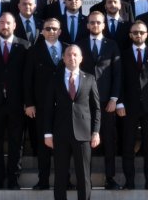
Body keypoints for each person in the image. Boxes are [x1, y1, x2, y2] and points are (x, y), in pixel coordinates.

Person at [41, 45, 100, 200]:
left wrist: (96, 131)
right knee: (60, 175)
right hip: (60, 134)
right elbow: (48, 108)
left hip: (84, 134)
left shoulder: (90, 78)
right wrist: (48, 133)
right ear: (63, 58)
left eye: (75, 55)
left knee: (84, 176)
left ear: (81, 58)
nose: (72, 57)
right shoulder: (54, 78)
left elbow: (96, 108)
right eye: (68, 54)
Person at [0, 13, 31, 189]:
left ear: (14, 26)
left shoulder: (25, 46)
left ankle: (13, 178)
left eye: (8, 23)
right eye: (1, 23)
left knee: (16, 142)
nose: (4, 26)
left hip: (17, 103)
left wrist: (28, 101)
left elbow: (28, 77)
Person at [117, 20, 148, 190]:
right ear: (130, 35)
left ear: (146, 34)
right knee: (128, 145)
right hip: (128, 107)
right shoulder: (122, 55)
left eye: (141, 32)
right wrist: (119, 102)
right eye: (135, 32)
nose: (138, 35)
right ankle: (129, 182)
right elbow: (119, 81)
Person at [78, 11, 122, 189]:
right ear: (87, 25)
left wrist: (114, 98)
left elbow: (117, 74)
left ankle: (110, 178)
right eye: (92, 23)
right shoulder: (79, 45)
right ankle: (84, 178)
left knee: (109, 140)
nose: (95, 25)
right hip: (83, 101)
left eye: (98, 23)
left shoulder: (112, 45)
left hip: (106, 102)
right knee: (83, 142)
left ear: (104, 25)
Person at [24, 15, 67, 189]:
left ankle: (65, 180)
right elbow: (27, 80)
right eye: (48, 28)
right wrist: (29, 103)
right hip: (42, 106)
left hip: (65, 107)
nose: (51, 32)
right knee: (43, 146)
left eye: (55, 29)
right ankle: (43, 180)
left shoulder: (69, 49)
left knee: (64, 146)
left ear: (60, 31)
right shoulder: (33, 51)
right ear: (42, 32)